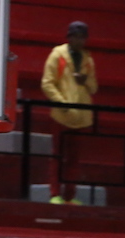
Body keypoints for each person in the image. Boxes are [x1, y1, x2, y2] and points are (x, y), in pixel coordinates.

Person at [41, 20, 97, 205]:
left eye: (82, 37)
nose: (79, 41)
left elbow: (94, 87)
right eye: (76, 36)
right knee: (57, 156)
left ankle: (70, 196)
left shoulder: (88, 59)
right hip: (62, 116)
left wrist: (85, 80)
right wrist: (61, 102)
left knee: (74, 160)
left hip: (81, 117)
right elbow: (47, 83)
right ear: (69, 37)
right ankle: (55, 194)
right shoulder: (58, 55)